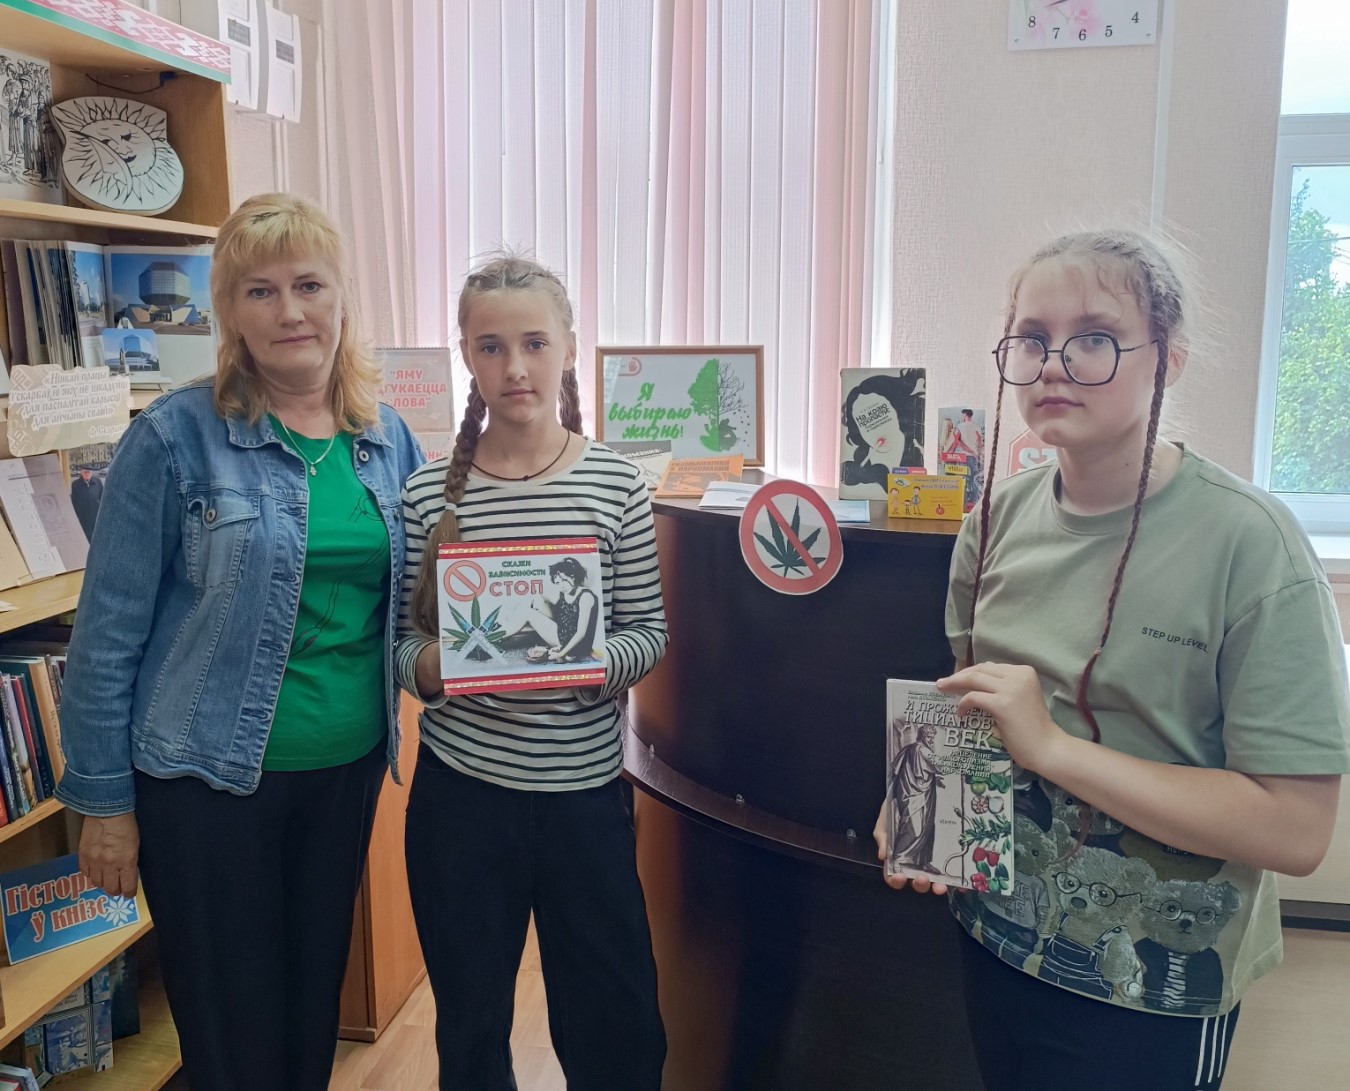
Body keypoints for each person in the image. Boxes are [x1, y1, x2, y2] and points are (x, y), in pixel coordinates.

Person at [873, 230, 1349, 1091]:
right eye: (1032, 337)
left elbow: (1296, 828)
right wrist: (923, 802)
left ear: (1167, 359)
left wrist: (1054, 748)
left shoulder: (1252, 545)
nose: (1054, 363)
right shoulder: (993, 521)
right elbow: (977, 718)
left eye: (1094, 336)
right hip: (997, 940)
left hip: (1153, 985)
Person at [55, 193, 425, 1091]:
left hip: (344, 772)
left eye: (309, 285)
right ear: (230, 312)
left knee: (307, 1017)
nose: (290, 310)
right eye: (261, 291)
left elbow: (421, 600)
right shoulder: (173, 437)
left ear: (342, 297)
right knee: (232, 1034)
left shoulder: (387, 440)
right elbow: (106, 634)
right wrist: (104, 804)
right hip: (204, 783)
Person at [397, 254, 668, 1090]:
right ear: (467, 357)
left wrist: (589, 662)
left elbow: (649, 633)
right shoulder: (425, 494)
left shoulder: (617, 483)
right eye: (491, 346)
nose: (514, 366)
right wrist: (439, 666)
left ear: (569, 348)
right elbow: (402, 647)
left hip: (583, 798)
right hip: (461, 801)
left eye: (535, 343)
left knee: (615, 1022)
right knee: (470, 1026)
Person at [840, 370, 925, 497]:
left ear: (899, 411)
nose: (876, 429)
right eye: (863, 421)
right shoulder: (856, 475)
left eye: (882, 413)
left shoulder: (916, 460)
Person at [69, 466, 103, 541]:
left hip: (96, 516)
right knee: (86, 539)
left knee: (98, 537)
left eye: (89, 472)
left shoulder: (97, 482)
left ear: (92, 473)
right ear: (81, 473)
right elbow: (74, 502)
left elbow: (102, 498)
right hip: (84, 519)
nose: (87, 474)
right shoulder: (75, 485)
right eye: (85, 472)